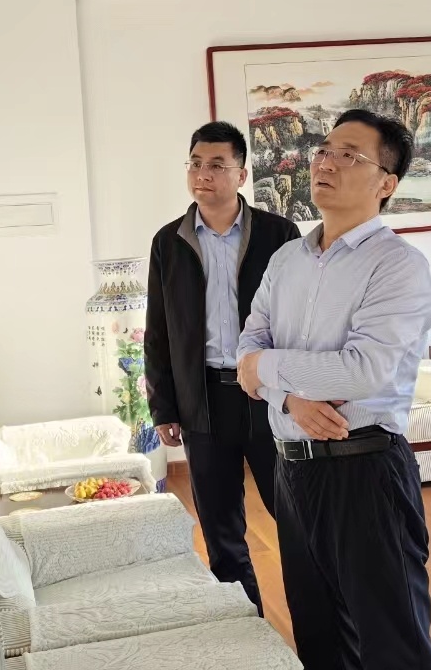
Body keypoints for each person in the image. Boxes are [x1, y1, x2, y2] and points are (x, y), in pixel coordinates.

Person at [236, 108, 431, 670]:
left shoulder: (398, 266)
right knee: (320, 640)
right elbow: (245, 350)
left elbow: (362, 371)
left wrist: (264, 370)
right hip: (292, 468)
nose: (325, 163)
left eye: (348, 155)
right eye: (324, 150)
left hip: (365, 470)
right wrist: (287, 398)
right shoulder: (286, 259)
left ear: (386, 184)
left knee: (393, 644)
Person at [143, 121, 300, 615]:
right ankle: (245, 629)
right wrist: (164, 406)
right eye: (195, 164)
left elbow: (300, 320)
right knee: (220, 529)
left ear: (241, 174)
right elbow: (157, 332)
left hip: (269, 395)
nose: (202, 174)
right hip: (203, 399)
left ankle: (323, 629)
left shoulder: (279, 234)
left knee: (296, 516)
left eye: (216, 165)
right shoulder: (168, 242)